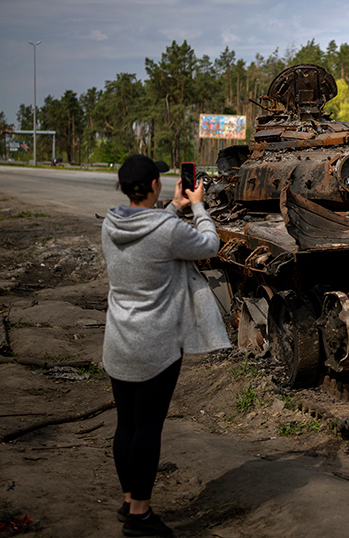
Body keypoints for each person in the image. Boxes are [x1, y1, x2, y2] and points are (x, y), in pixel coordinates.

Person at [102, 154, 230, 537]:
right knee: (148, 428)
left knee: (126, 424)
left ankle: (129, 501)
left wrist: (173, 207)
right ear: (155, 185)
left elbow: (152, 230)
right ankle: (140, 518)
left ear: (124, 189)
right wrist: (198, 206)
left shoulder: (111, 223)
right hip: (156, 347)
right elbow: (210, 244)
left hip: (118, 342)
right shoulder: (168, 230)